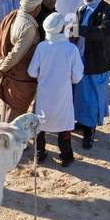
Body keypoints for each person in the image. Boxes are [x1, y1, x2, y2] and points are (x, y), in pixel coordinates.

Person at [28, 12, 84, 167]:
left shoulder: (41, 47)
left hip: (44, 94)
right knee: (64, 125)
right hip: (63, 95)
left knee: (40, 124)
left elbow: (32, 72)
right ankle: (66, 157)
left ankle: (40, 153)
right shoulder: (71, 49)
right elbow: (77, 77)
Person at [72, 0, 110, 149]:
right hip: (81, 58)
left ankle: (90, 130)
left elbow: (102, 33)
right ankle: (82, 122)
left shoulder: (107, 11)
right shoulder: (81, 9)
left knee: (94, 96)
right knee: (81, 94)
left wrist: (78, 30)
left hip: (97, 61)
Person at [0, 0, 45, 122]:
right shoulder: (28, 27)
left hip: (10, 71)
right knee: (16, 110)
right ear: (36, 7)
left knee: (8, 106)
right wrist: (2, 69)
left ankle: (3, 134)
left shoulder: (15, 15)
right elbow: (16, 54)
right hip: (19, 75)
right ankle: (7, 140)